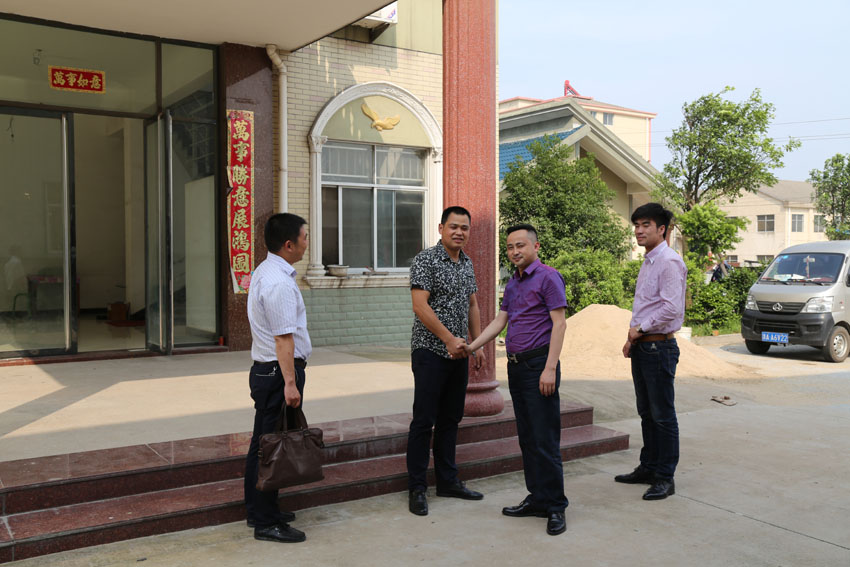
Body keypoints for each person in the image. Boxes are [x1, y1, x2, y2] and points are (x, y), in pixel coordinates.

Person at [465, 224, 568, 536]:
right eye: (510, 247)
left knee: (544, 438)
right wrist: (473, 345)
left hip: (539, 365)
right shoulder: (513, 282)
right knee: (527, 436)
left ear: (536, 247)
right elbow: (501, 319)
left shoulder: (548, 277)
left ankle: (555, 505)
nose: (514, 252)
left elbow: (559, 324)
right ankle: (537, 498)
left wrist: (550, 369)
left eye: (520, 245)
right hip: (517, 367)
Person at [406, 206, 485, 516]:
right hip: (429, 351)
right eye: (453, 226)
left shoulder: (467, 263)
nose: (459, 232)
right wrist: (448, 339)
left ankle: (448, 481)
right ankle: (417, 488)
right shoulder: (425, 260)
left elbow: (472, 304)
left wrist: (477, 344)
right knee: (424, 420)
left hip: (460, 353)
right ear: (441, 228)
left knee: (451, 419)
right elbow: (420, 306)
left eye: (464, 227)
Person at [244, 213, 311, 543]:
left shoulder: (265, 270)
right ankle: (265, 521)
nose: (306, 243)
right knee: (270, 447)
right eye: (304, 237)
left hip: (267, 371)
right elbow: (284, 339)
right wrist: (290, 383)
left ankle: (259, 510)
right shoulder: (279, 283)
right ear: (289, 244)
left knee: (263, 444)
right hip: (277, 373)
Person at [617, 203, 687, 501]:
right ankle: (648, 467)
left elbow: (671, 307)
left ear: (662, 229)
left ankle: (664, 477)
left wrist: (640, 329)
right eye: (636, 225)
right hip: (645, 345)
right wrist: (633, 338)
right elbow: (647, 304)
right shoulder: (649, 261)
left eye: (646, 225)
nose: (639, 230)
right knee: (647, 412)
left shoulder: (669, 261)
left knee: (662, 415)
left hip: (659, 346)